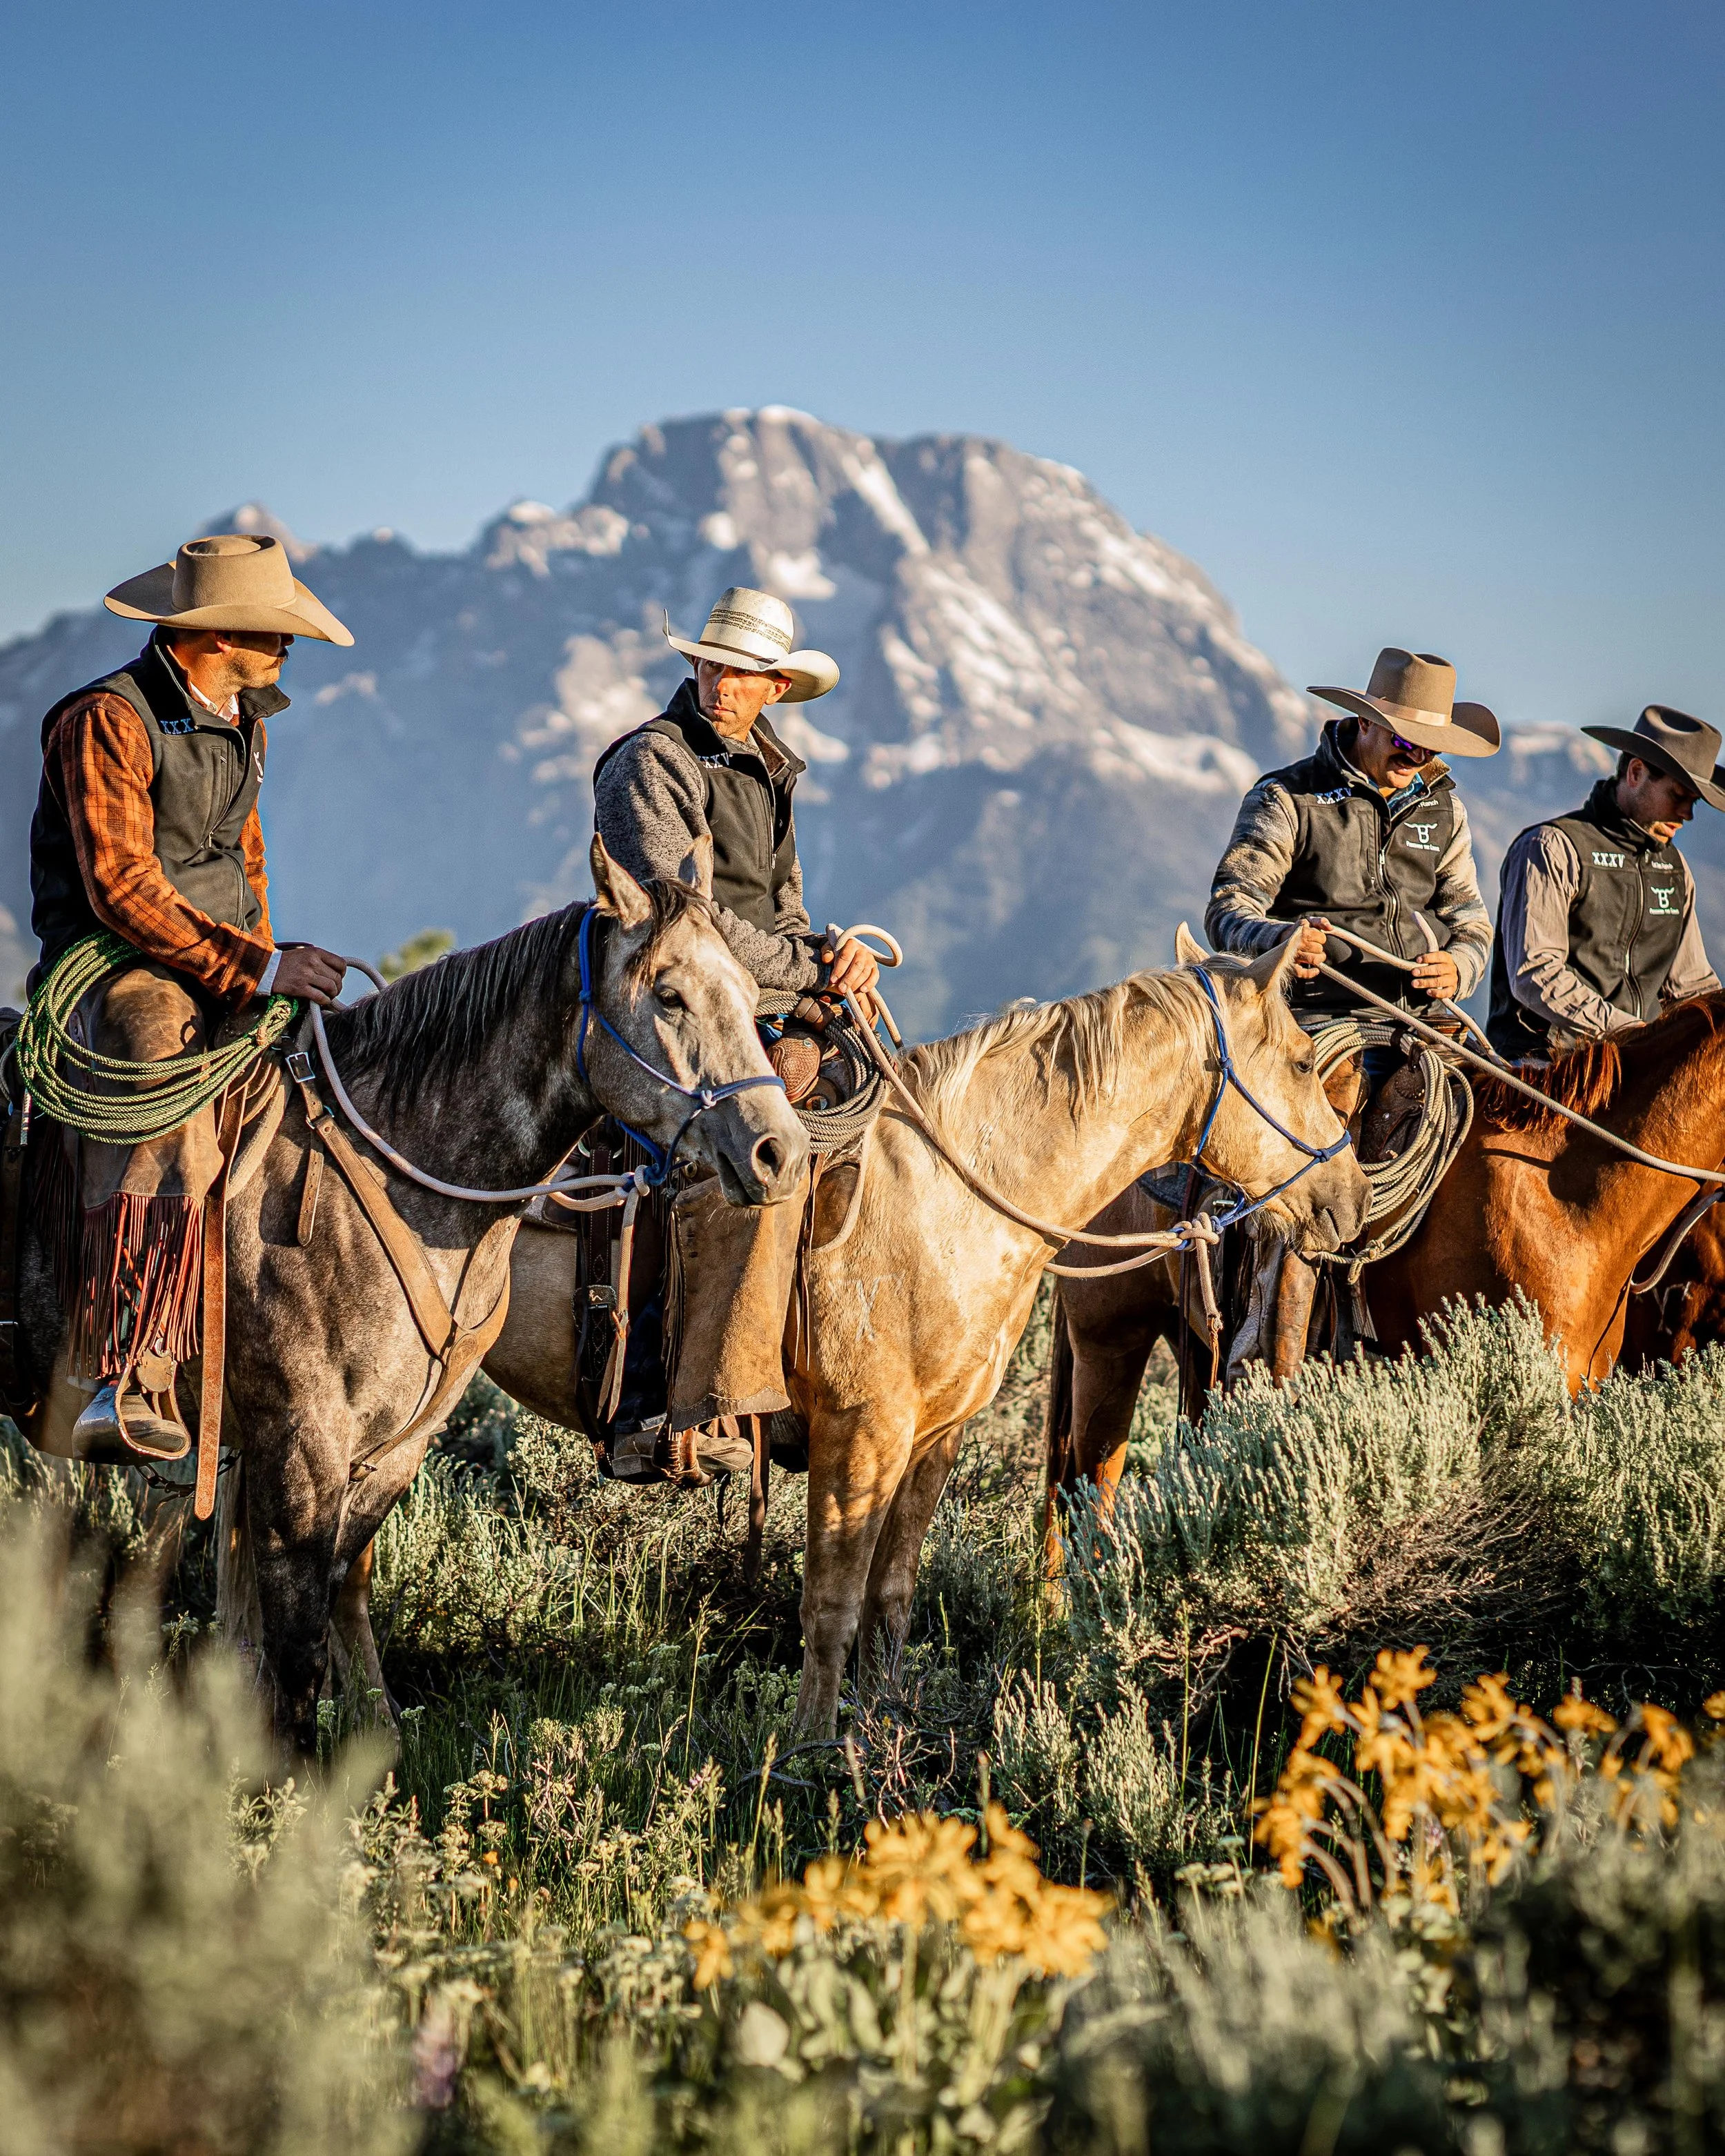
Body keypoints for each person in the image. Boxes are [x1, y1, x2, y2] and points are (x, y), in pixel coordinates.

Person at [28, 533, 353, 1458]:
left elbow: (241, 863)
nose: (288, 648)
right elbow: (121, 886)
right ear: (214, 635)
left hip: (222, 956)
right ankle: (126, 1369)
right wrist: (253, 970)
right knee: (158, 1064)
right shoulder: (106, 720)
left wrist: (270, 959)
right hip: (111, 961)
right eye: (273, 632)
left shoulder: (246, 716)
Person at [589, 587, 878, 1480]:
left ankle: (835, 1359)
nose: (725, 682)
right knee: (764, 1154)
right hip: (670, 1005)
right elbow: (686, 920)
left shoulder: (768, 771)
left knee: (885, 1105)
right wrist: (812, 968)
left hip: (758, 997)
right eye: (715, 664)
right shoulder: (650, 763)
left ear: (775, 687)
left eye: (747, 672)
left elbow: (781, 909)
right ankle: (705, 1398)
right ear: (694, 665)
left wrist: (831, 964)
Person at [1207, 646, 1500, 1027]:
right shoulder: (1285, 798)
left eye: (1431, 750)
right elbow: (1227, 911)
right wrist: (1280, 942)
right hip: (1312, 1019)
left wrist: (1459, 968)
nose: (1417, 759)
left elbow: (1471, 924)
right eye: (1407, 742)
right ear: (1365, 722)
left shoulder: (1447, 812)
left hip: (1424, 1023)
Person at [1488, 706, 1723, 1062]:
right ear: (1636, 772)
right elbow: (1535, 974)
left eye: (1693, 802)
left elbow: (1692, 986)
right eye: (1678, 795)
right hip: (1545, 1067)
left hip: (1634, 1067)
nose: (1687, 815)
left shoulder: (1675, 869)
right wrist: (1632, 1035)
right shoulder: (1551, 848)